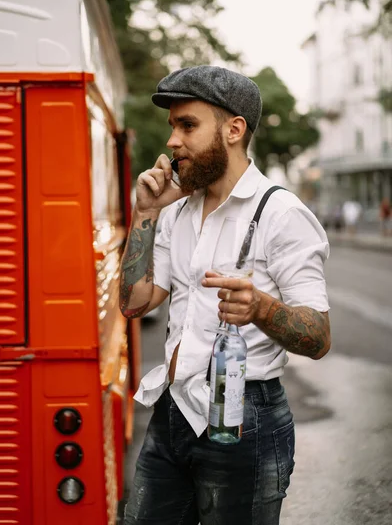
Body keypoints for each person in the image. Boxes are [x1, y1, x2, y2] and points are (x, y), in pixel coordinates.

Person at [119, 65, 331, 525]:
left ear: (234, 129)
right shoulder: (176, 210)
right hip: (173, 412)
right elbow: (133, 303)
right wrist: (146, 213)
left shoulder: (281, 214)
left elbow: (318, 337)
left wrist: (260, 307)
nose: (172, 141)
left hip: (244, 421)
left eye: (187, 125)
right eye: (173, 125)